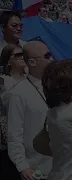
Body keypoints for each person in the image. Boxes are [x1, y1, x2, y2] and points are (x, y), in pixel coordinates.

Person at [5, 41, 53, 180]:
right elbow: (14, 135)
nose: (51, 59)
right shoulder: (18, 94)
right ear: (32, 62)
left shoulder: (59, 87)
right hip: (37, 170)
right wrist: (22, 165)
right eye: (47, 56)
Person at [0, 44, 27, 179]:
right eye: (17, 55)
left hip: (30, 133)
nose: (22, 57)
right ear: (8, 61)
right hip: (10, 136)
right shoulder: (2, 80)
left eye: (23, 54)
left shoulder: (31, 78)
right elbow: (6, 101)